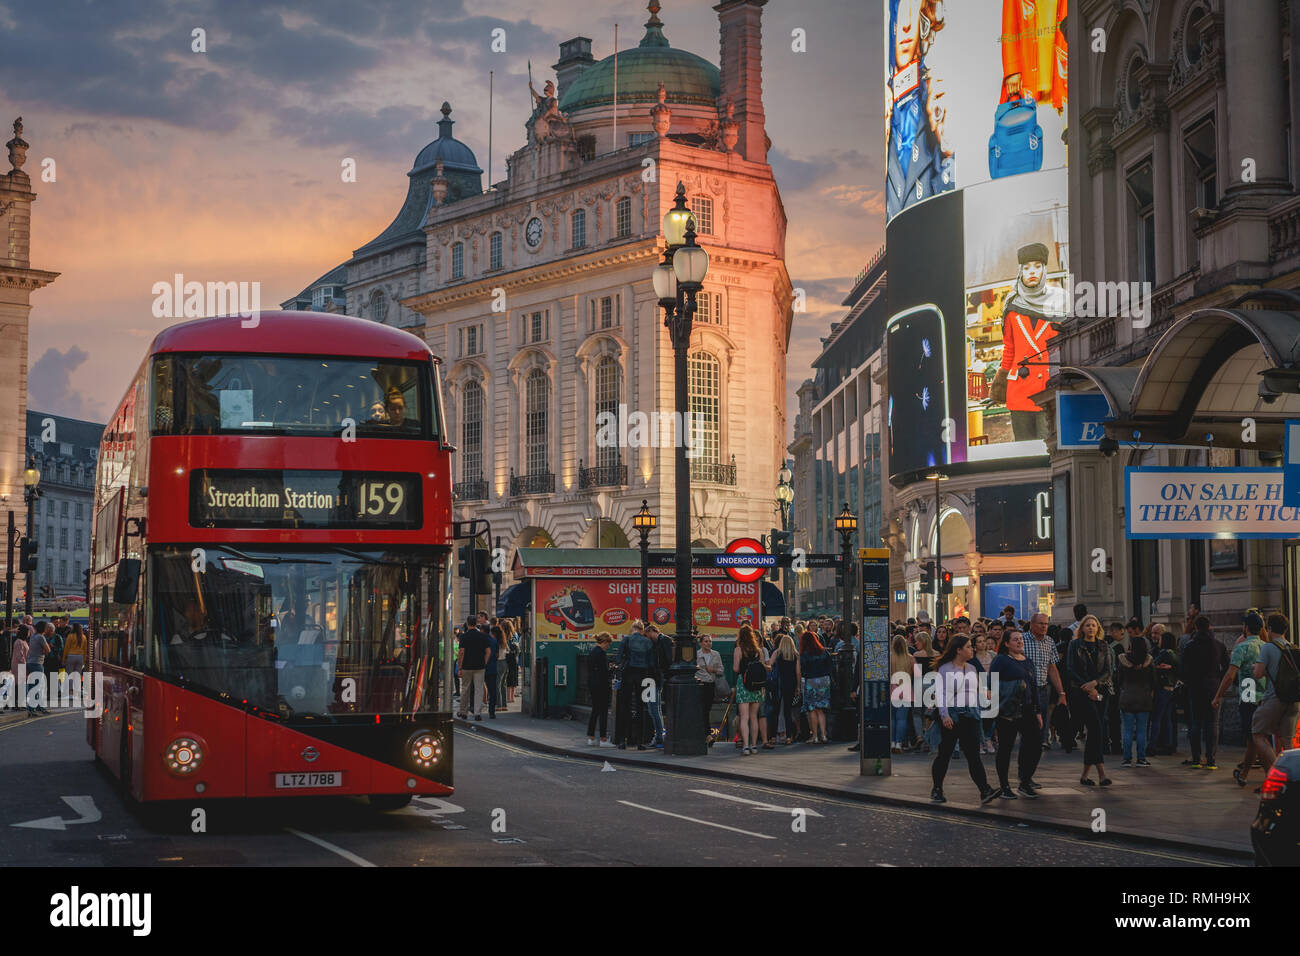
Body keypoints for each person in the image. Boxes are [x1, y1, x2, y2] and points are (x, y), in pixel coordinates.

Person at [930, 635, 998, 805]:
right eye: (968, 647)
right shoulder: (945, 669)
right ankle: (937, 788)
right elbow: (941, 693)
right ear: (958, 650)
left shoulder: (971, 668)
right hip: (952, 715)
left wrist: (984, 694)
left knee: (973, 755)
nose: (972, 649)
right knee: (944, 754)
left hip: (970, 715)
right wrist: (944, 715)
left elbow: (974, 691)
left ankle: (985, 790)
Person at [1213, 612, 1266, 785]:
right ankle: (1244, 774)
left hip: (1248, 695)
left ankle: (1266, 775)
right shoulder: (1265, 646)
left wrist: (1218, 695)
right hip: (1265, 697)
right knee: (1256, 739)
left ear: (1246, 627)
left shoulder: (1242, 647)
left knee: (1254, 739)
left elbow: (1230, 675)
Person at [990, 628, 1042, 798]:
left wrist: (1038, 711)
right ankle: (1004, 785)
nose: (1020, 642)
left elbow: (1034, 687)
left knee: (1034, 745)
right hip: (1008, 709)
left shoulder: (1027, 661)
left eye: (1020, 639)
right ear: (1006, 643)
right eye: (1015, 640)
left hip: (1027, 709)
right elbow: (991, 684)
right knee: (1006, 747)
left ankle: (1025, 781)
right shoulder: (1001, 660)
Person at [1249, 613, 1300, 784]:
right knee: (1287, 742)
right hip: (1293, 700)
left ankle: (1277, 774)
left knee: (1258, 734)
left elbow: (1258, 673)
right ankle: (1293, 778)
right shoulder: (1292, 647)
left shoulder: (1268, 648)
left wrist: (1255, 666)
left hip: (1275, 698)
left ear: (1269, 629)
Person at [1066, 614, 1112, 786]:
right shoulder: (1075, 645)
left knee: (1095, 731)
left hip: (1100, 693)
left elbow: (1108, 671)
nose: (1091, 628)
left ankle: (1085, 775)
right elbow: (1070, 669)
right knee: (1096, 729)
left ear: (1098, 628)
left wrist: (1095, 684)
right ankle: (1101, 773)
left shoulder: (1103, 645)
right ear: (1082, 628)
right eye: (1088, 625)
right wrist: (1087, 686)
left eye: (1094, 625)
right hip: (1082, 693)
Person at [1181, 615, 1227, 769]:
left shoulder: (1190, 646)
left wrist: (1189, 681)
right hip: (1213, 686)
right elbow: (1226, 667)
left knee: (1196, 723)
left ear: (1195, 628)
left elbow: (1183, 669)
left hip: (1195, 687)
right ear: (1210, 627)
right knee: (1212, 722)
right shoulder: (1218, 645)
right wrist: (1218, 680)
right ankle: (1211, 759)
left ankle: (1196, 758)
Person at [1023, 612, 1068, 757]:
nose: (1044, 627)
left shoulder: (1049, 642)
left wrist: (1061, 692)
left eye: (1046, 624)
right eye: (1041, 623)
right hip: (1025, 690)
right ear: (1032, 625)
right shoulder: (1022, 640)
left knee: (1042, 720)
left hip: (1042, 689)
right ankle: (1028, 747)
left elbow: (1052, 669)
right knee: (1028, 721)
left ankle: (1039, 744)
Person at [1117, 634, 1157, 767]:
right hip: (1144, 699)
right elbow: (1154, 681)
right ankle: (1141, 759)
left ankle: (1126, 759)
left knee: (1127, 730)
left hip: (1127, 697)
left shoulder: (1123, 660)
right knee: (1141, 731)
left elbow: (1119, 680)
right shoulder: (1149, 661)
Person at [616, 621, 656, 750]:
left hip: (628, 674)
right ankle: (640, 741)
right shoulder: (647, 642)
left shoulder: (626, 640)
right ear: (642, 630)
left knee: (624, 706)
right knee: (641, 707)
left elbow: (618, 658)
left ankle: (623, 740)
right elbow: (651, 662)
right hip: (642, 675)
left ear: (633, 628)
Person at [733, 624, 767, 755]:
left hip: (744, 683)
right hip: (757, 685)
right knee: (754, 717)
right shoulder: (759, 651)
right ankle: (754, 746)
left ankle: (746, 746)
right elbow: (763, 667)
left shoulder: (739, 650)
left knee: (744, 717)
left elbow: (736, 669)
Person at [797, 630, 833, 745]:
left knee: (812, 709)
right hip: (824, 680)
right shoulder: (823, 651)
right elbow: (830, 666)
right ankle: (824, 735)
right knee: (821, 709)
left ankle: (815, 736)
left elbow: (802, 670)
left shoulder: (804, 654)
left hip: (811, 681)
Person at [456, 615, 490, 721]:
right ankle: (477, 713)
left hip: (466, 666)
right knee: (479, 689)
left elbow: (461, 652)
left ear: (467, 623)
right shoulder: (483, 636)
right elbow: (488, 651)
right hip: (480, 666)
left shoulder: (464, 636)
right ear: (476, 623)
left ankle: (463, 712)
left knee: (465, 689)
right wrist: (484, 662)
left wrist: (460, 667)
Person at [586, 633, 615, 747]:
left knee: (595, 711)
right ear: (604, 642)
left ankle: (591, 737)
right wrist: (611, 669)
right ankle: (603, 739)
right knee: (603, 712)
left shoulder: (592, 652)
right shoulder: (601, 653)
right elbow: (604, 672)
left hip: (592, 684)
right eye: (608, 645)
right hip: (601, 686)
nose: (608, 647)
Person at [889, 633, 915, 753]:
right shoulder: (910, 658)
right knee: (902, 719)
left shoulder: (889, 657)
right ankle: (899, 743)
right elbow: (917, 675)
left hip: (892, 689)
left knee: (892, 719)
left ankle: (892, 742)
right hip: (906, 689)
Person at [772, 632, 800, 744]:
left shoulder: (777, 653)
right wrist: (798, 686)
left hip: (778, 684)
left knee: (776, 711)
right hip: (791, 684)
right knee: (788, 711)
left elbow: (769, 664)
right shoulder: (795, 655)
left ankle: (773, 737)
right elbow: (798, 672)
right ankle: (789, 737)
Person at [696, 633, 723, 731]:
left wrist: (713, 670)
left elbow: (721, 670)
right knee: (702, 709)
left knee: (707, 709)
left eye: (710, 641)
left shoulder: (716, 654)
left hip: (711, 684)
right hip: (700, 684)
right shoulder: (697, 655)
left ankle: (705, 733)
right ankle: (706, 733)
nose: (708, 643)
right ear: (701, 643)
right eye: (706, 641)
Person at [25, 622, 52, 716]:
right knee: (38, 687)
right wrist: (44, 650)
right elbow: (48, 650)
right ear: (43, 628)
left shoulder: (33, 636)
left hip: (30, 663)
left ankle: (35, 707)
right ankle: (34, 709)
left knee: (33, 687)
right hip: (37, 663)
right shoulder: (41, 637)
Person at [484, 625, 502, 719]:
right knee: (492, 690)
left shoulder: (482, 641)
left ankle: (476, 710)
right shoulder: (495, 641)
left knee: (478, 690)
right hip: (492, 668)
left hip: (481, 668)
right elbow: (497, 655)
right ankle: (491, 712)